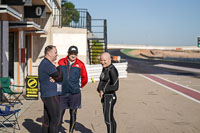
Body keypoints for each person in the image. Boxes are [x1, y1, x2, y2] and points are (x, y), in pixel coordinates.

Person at [58, 45, 88, 133]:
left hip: (74, 94)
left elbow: (85, 78)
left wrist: (77, 87)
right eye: (71, 53)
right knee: (59, 114)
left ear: (77, 54)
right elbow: (56, 75)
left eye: (75, 53)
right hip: (62, 93)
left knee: (73, 114)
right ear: (68, 53)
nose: (73, 55)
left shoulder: (80, 64)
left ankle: (71, 132)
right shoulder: (61, 62)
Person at [38, 45, 62, 133]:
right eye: (55, 52)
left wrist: (55, 76)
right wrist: (58, 67)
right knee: (55, 119)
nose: (57, 54)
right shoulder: (47, 64)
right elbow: (60, 77)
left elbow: (57, 77)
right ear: (49, 53)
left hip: (46, 94)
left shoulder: (45, 63)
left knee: (47, 120)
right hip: (50, 95)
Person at [97, 52, 119, 133]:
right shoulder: (105, 68)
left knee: (108, 120)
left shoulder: (112, 70)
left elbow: (116, 86)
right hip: (105, 97)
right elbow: (102, 81)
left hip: (110, 97)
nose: (102, 62)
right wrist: (99, 89)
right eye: (101, 60)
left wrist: (103, 90)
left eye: (104, 60)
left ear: (110, 60)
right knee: (110, 118)